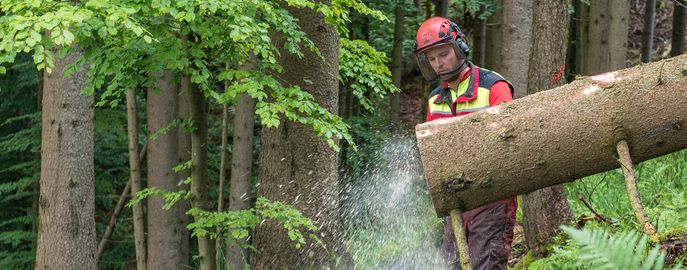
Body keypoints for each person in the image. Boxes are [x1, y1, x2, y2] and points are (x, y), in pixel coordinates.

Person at [413, 17, 518, 270]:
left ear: (459, 47)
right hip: (456, 203)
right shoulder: (435, 100)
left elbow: (510, 143)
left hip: (493, 197)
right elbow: (433, 154)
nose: (438, 63)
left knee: (486, 264)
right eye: (432, 58)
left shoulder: (493, 87)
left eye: (443, 54)